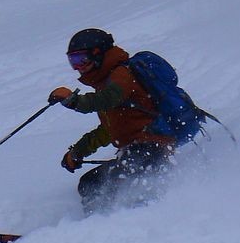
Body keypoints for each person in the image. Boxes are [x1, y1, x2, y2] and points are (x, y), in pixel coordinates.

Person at [48, 28, 177, 214]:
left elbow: (109, 98)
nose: (78, 66)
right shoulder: (106, 81)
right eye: (72, 61)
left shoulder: (121, 75)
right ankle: (98, 226)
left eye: (81, 59)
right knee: (89, 184)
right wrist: (77, 152)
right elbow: (110, 130)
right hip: (136, 151)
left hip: (151, 149)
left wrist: (74, 101)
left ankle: (127, 223)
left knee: (114, 186)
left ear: (98, 53)